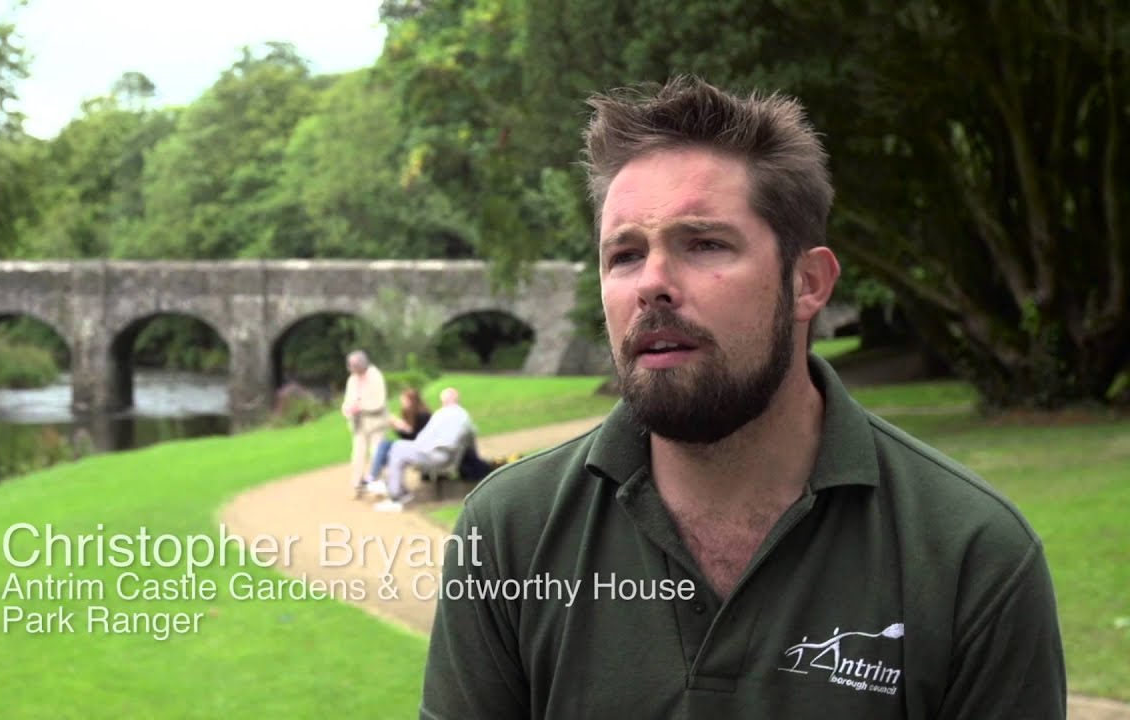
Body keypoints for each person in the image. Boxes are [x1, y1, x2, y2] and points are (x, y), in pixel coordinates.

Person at [421, 77, 1065, 718]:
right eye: (624, 255)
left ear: (808, 282)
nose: (653, 284)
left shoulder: (972, 555)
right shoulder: (508, 531)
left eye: (703, 244)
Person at [371, 387, 474, 512]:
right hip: (449, 458)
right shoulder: (464, 416)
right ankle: (395, 490)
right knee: (397, 447)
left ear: (444, 400)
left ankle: (396, 496)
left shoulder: (441, 414)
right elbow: (470, 440)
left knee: (397, 447)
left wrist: (407, 435)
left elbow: (422, 438)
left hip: (435, 456)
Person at [340, 349, 388, 495]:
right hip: (358, 424)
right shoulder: (352, 379)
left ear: (363, 364)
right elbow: (347, 401)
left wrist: (361, 407)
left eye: (355, 366)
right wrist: (347, 409)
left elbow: (379, 402)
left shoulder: (375, 376)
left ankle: (378, 485)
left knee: (376, 453)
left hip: (376, 423)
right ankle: (357, 485)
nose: (353, 370)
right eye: (351, 367)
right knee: (357, 455)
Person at [363, 388, 432, 488]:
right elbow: (410, 435)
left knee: (385, 447)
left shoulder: (422, 415)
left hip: (419, 448)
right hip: (411, 445)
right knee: (384, 448)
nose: (402, 403)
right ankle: (379, 478)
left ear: (411, 401)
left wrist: (400, 427)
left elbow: (416, 437)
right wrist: (401, 427)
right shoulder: (410, 413)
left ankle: (374, 477)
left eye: (403, 401)